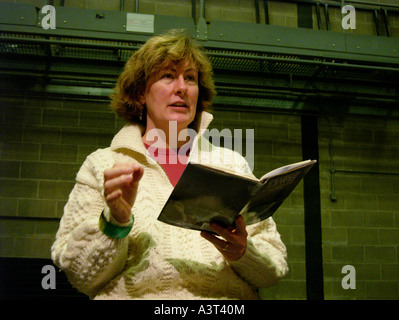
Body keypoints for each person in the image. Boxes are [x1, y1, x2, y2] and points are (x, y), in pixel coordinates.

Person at [51, 29, 288, 300]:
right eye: (167, 76)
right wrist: (115, 221)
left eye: (190, 78)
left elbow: (274, 270)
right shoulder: (104, 165)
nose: (182, 87)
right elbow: (81, 275)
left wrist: (243, 253)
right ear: (140, 93)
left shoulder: (230, 164)